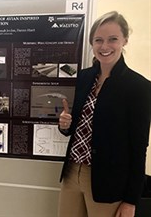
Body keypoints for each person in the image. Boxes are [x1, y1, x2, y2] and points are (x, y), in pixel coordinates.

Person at [58, 11, 151, 217]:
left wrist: (130, 201)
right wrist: (65, 125)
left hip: (108, 181)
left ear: (125, 40)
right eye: (98, 40)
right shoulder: (85, 77)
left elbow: (139, 148)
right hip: (73, 173)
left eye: (113, 39)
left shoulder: (139, 87)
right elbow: (77, 128)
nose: (104, 46)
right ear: (92, 43)